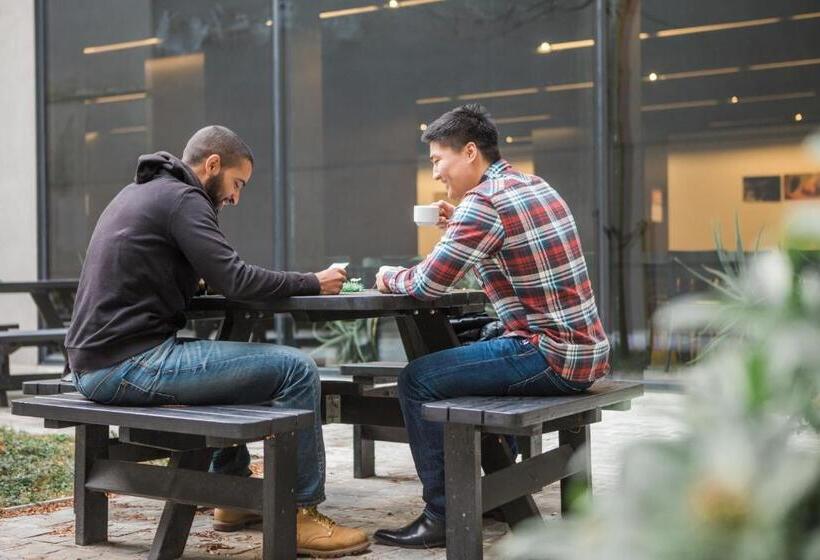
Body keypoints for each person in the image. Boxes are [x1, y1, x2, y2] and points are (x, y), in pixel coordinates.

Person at [65, 125, 370, 558]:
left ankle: (232, 496)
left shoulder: (143, 192)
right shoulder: (183, 199)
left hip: (99, 361)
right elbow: (236, 278)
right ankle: (299, 513)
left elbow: (167, 271)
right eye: (236, 183)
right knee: (295, 369)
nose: (236, 197)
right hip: (127, 364)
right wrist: (313, 281)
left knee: (232, 370)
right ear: (212, 165)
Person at [373, 105, 610, 549]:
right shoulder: (531, 184)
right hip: (586, 351)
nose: (437, 173)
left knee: (417, 379)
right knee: (471, 337)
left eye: (437, 160)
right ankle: (499, 490)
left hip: (550, 356)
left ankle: (443, 514)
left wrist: (387, 275)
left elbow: (426, 285)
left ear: (468, 152)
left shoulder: (484, 204)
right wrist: (458, 222)